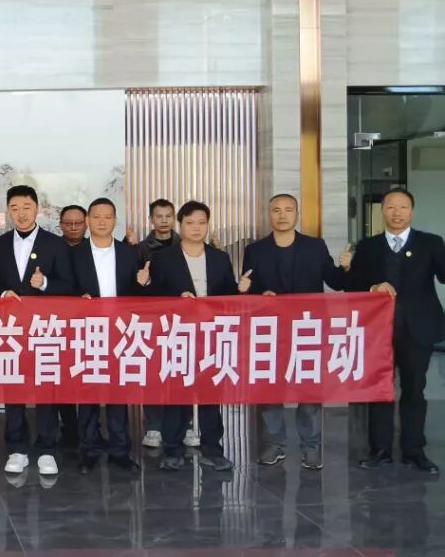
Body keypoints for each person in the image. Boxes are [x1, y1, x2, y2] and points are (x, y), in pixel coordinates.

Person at [242, 194, 348, 470]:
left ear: (296, 214)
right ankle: (274, 444)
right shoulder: (255, 250)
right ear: (269, 214)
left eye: (288, 210)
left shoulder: (315, 246)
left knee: (309, 391)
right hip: (270, 330)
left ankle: (311, 447)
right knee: (270, 390)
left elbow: (336, 282)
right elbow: (248, 290)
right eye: (276, 210)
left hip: (308, 330)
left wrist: (346, 266)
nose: (282, 215)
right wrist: (256, 294)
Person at [345, 187, 445, 474]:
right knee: (380, 389)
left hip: (418, 328)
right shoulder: (368, 246)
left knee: (415, 389)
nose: (396, 212)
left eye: (403, 207)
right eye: (390, 207)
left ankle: (414, 451)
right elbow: (352, 285)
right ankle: (380, 450)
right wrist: (372, 287)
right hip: (377, 329)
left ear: (412, 211)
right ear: (382, 211)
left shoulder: (431, 243)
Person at [139, 200, 235, 472]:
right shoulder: (163, 258)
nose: (196, 228)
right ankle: (173, 449)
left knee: (210, 395)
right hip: (177, 335)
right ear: (180, 225)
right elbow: (153, 298)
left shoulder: (220, 258)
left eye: (202, 222)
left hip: (210, 335)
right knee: (177, 394)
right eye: (190, 223)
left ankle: (212, 449)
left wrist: (241, 289)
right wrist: (153, 286)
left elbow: (229, 296)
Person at [0, 185, 74, 476]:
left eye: (26, 207)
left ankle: (47, 448)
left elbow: (69, 285)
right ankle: (17, 448)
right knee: (14, 388)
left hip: (44, 329)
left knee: (46, 389)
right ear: (8, 211)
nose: (21, 214)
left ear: (37, 208)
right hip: (10, 330)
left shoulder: (55, 244)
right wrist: (3, 293)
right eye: (15, 208)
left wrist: (45, 284)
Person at [70, 198, 142, 473]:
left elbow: (141, 293)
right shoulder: (74, 253)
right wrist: (78, 298)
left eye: (107, 217)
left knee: (117, 393)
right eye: (96, 216)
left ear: (115, 220)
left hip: (120, 331)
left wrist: (144, 283)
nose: (102, 221)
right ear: (88, 220)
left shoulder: (129, 253)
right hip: (86, 332)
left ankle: (120, 451)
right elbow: (65, 288)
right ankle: (88, 450)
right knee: (87, 393)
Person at [125, 198, 181, 449]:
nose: (164, 220)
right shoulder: (140, 249)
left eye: (169, 216)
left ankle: (184, 426)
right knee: (154, 374)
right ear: (151, 220)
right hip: (152, 320)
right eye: (159, 216)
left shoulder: (186, 244)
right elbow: (131, 284)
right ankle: (154, 426)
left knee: (180, 373)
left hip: (182, 319)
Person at [54, 204, 90, 448]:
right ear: (61, 225)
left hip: (90, 326)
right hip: (61, 324)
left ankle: (89, 429)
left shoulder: (96, 247)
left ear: (86, 224)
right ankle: (69, 426)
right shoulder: (52, 248)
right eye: (68, 223)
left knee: (87, 376)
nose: (74, 227)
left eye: (78, 223)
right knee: (63, 377)